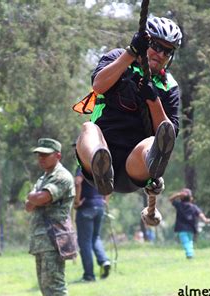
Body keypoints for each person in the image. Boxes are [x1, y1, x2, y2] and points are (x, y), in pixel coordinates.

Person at [75, 17, 183, 208]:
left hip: (133, 168)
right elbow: (98, 86)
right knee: (88, 128)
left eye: (167, 51)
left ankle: (154, 166)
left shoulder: (169, 86)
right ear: (146, 42)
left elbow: (168, 133)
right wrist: (131, 53)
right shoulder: (117, 58)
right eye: (156, 46)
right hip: (101, 154)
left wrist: (153, 100)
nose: (160, 54)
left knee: (153, 141)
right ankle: (100, 164)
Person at [25, 138, 75, 296]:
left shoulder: (62, 177)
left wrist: (35, 197)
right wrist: (35, 198)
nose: (41, 158)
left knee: (55, 288)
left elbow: (41, 197)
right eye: (39, 155)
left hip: (54, 239)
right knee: (46, 287)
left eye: (45, 155)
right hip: (42, 240)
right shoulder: (43, 179)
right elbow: (29, 206)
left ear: (58, 155)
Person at [73, 166, 111, 282]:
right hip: (99, 206)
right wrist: (104, 200)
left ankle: (89, 275)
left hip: (85, 208)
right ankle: (104, 260)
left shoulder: (82, 166)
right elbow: (110, 184)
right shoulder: (99, 166)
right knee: (95, 237)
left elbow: (78, 182)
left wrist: (76, 201)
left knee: (85, 242)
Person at [169, 188, 210, 259]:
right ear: (191, 199)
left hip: (182, 229)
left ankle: (189, 254)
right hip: (191, 228)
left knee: (185, 242)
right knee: (190, 242)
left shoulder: (179, 205)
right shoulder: (194, 207)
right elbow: (200, 214)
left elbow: (171, 199)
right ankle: (190, 253)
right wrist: (205, 219)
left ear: (181, 198)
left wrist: (178, 194)